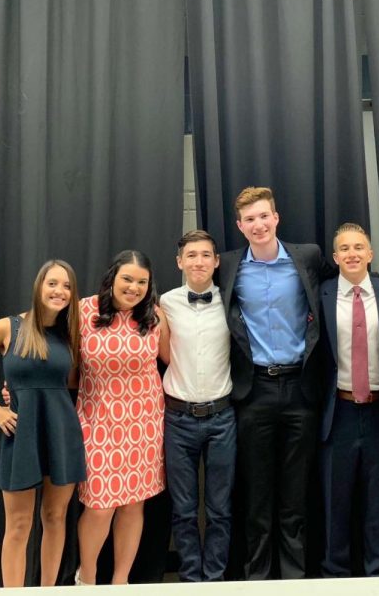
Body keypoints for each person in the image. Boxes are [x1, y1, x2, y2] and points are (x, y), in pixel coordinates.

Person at [216, 186, 337, 579]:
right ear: (240, 226)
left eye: (264, 216)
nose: (258, 224)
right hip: (254, 392)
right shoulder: (229, 265)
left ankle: (294, 579)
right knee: (256, 493)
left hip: (301, 388)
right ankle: (257, 580)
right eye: (250, 219)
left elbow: (349, 278)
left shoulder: (308, 256)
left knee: (295, 493)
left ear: (276, 218)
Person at [0, 259, 86, 587]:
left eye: (67, 286)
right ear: (39, 286)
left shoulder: (71, 333)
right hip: (20, 434)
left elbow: (70, 385)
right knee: (17, 525)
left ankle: (48, 591)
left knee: (55, 518)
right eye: (53, 283)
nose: (60, 291)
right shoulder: (8, 327)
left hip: (61, 433)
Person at [318, 223, 379, 577]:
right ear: (336, 257)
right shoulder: (320, 293)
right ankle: (333, 574)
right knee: (333, 500)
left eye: (359, 247)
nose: (352, 254)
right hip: (336, 411)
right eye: (344, 248)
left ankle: (378, 573)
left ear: (370, 254)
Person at [74, 250, 167, 585]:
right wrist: (15, 383)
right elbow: (51, 350)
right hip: (96, 420)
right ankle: (87, 578)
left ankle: (120, 582)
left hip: (143, 423)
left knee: (132, 506)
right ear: (112, 277)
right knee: (99, 505)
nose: (134, 287)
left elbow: (172, 359)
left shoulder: (155, 317)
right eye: (128, 278)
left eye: (142, 281)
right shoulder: (83, 311)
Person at [159, 230, 235, 582]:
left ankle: (215, 579)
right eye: (191, 255)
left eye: (206, 255)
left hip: (223, 417)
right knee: (184, 509)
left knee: (220, 509)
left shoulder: (232, 300)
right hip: (177, 418)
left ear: (217, 262)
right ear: (180, 262)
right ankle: (191, 579)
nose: (199, 262)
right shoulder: (164, 303)